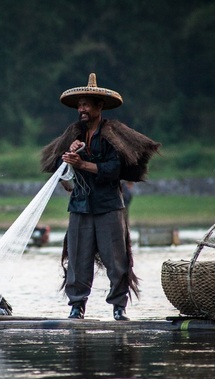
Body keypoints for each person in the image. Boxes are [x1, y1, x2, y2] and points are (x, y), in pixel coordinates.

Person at [41, 73, 160, 321]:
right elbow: (58, 170)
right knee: (77, 259)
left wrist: (82, 164)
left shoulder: (112, 134)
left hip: (108, 206)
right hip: (80, 207)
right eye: (80, 105)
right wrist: (68, 161)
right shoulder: (73, 134)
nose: (82, 109)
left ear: (99, 106)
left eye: (86, 104)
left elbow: (112, 170)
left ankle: (118, 307)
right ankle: (77, 306)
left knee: (117, 261)